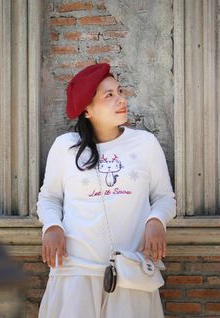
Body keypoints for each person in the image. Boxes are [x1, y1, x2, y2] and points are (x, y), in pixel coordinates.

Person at [37, 63, 176, 318]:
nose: (121, 99)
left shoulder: (145, 144)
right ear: (87, 109)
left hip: (131, 271)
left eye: (119, 91)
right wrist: (52, 226)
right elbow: (49, 197)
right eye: (108, 95)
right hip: (75, 273)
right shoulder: (65, 148)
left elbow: (164, 197)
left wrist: (157, 221)